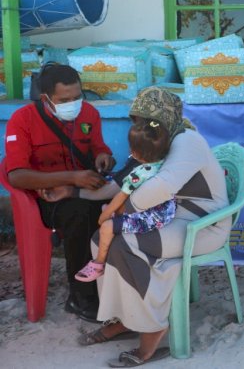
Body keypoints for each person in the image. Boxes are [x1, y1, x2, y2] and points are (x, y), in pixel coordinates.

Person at [71, 87, 230, 366]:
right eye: (136, 120)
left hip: (202, 225)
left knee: (128, 244)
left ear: (162, 118)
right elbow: (123, 185)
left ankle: (152, 326)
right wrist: (74, 194)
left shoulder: (186, 141)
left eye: (143, 120)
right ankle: (125, 319)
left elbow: (162, 186)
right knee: (101, 240)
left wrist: (121, 211)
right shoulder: (156, 138)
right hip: (169, 217)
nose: (139, 126)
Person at [4, 63, 115, 322]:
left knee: (127, 204)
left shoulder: (88, 114)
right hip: (45, 198)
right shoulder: (22, 120)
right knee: (81, 213)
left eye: (77, 97)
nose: (73, 104)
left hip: (84, 187)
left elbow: (100, 148)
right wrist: (71, 178)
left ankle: (122, 287)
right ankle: (81, 297)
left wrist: (103, 158)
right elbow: (16, 176)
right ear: (46, 99)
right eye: (64, 100)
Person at [74, 120, 175, 282]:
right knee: (113, 209)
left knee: (107, 226)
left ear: (134, 152)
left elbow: (121, 196)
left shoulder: (139, 174)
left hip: (152, 218)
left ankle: (98, 264)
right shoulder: (167, 162)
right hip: (167, 211)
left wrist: (104, 217)